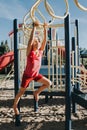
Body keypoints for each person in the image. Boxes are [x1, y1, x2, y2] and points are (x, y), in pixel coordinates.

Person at [13, 21, 52, 124]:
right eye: (35, 42)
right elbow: (30, 40)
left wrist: (44, 29)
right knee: (20, 93)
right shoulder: (29, 52)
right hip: (27, 76)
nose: (37, 43)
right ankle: (15, 107)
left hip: (35, 75)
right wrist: (34, 27)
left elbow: (44, 41)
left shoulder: (40, 51)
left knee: (48, 83)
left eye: (37, 42)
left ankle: (37, 92)